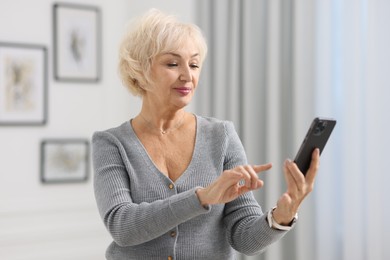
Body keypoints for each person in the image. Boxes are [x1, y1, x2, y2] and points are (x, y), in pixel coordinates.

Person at [92, 8, 320, 260]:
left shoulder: (221, 136)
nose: (187, 76)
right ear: (140, 70)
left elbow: (245, 239)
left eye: (194, 64)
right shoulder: (111, 143)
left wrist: (281, 216)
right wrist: (202, 197)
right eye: (172, 63)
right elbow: (122, 227)